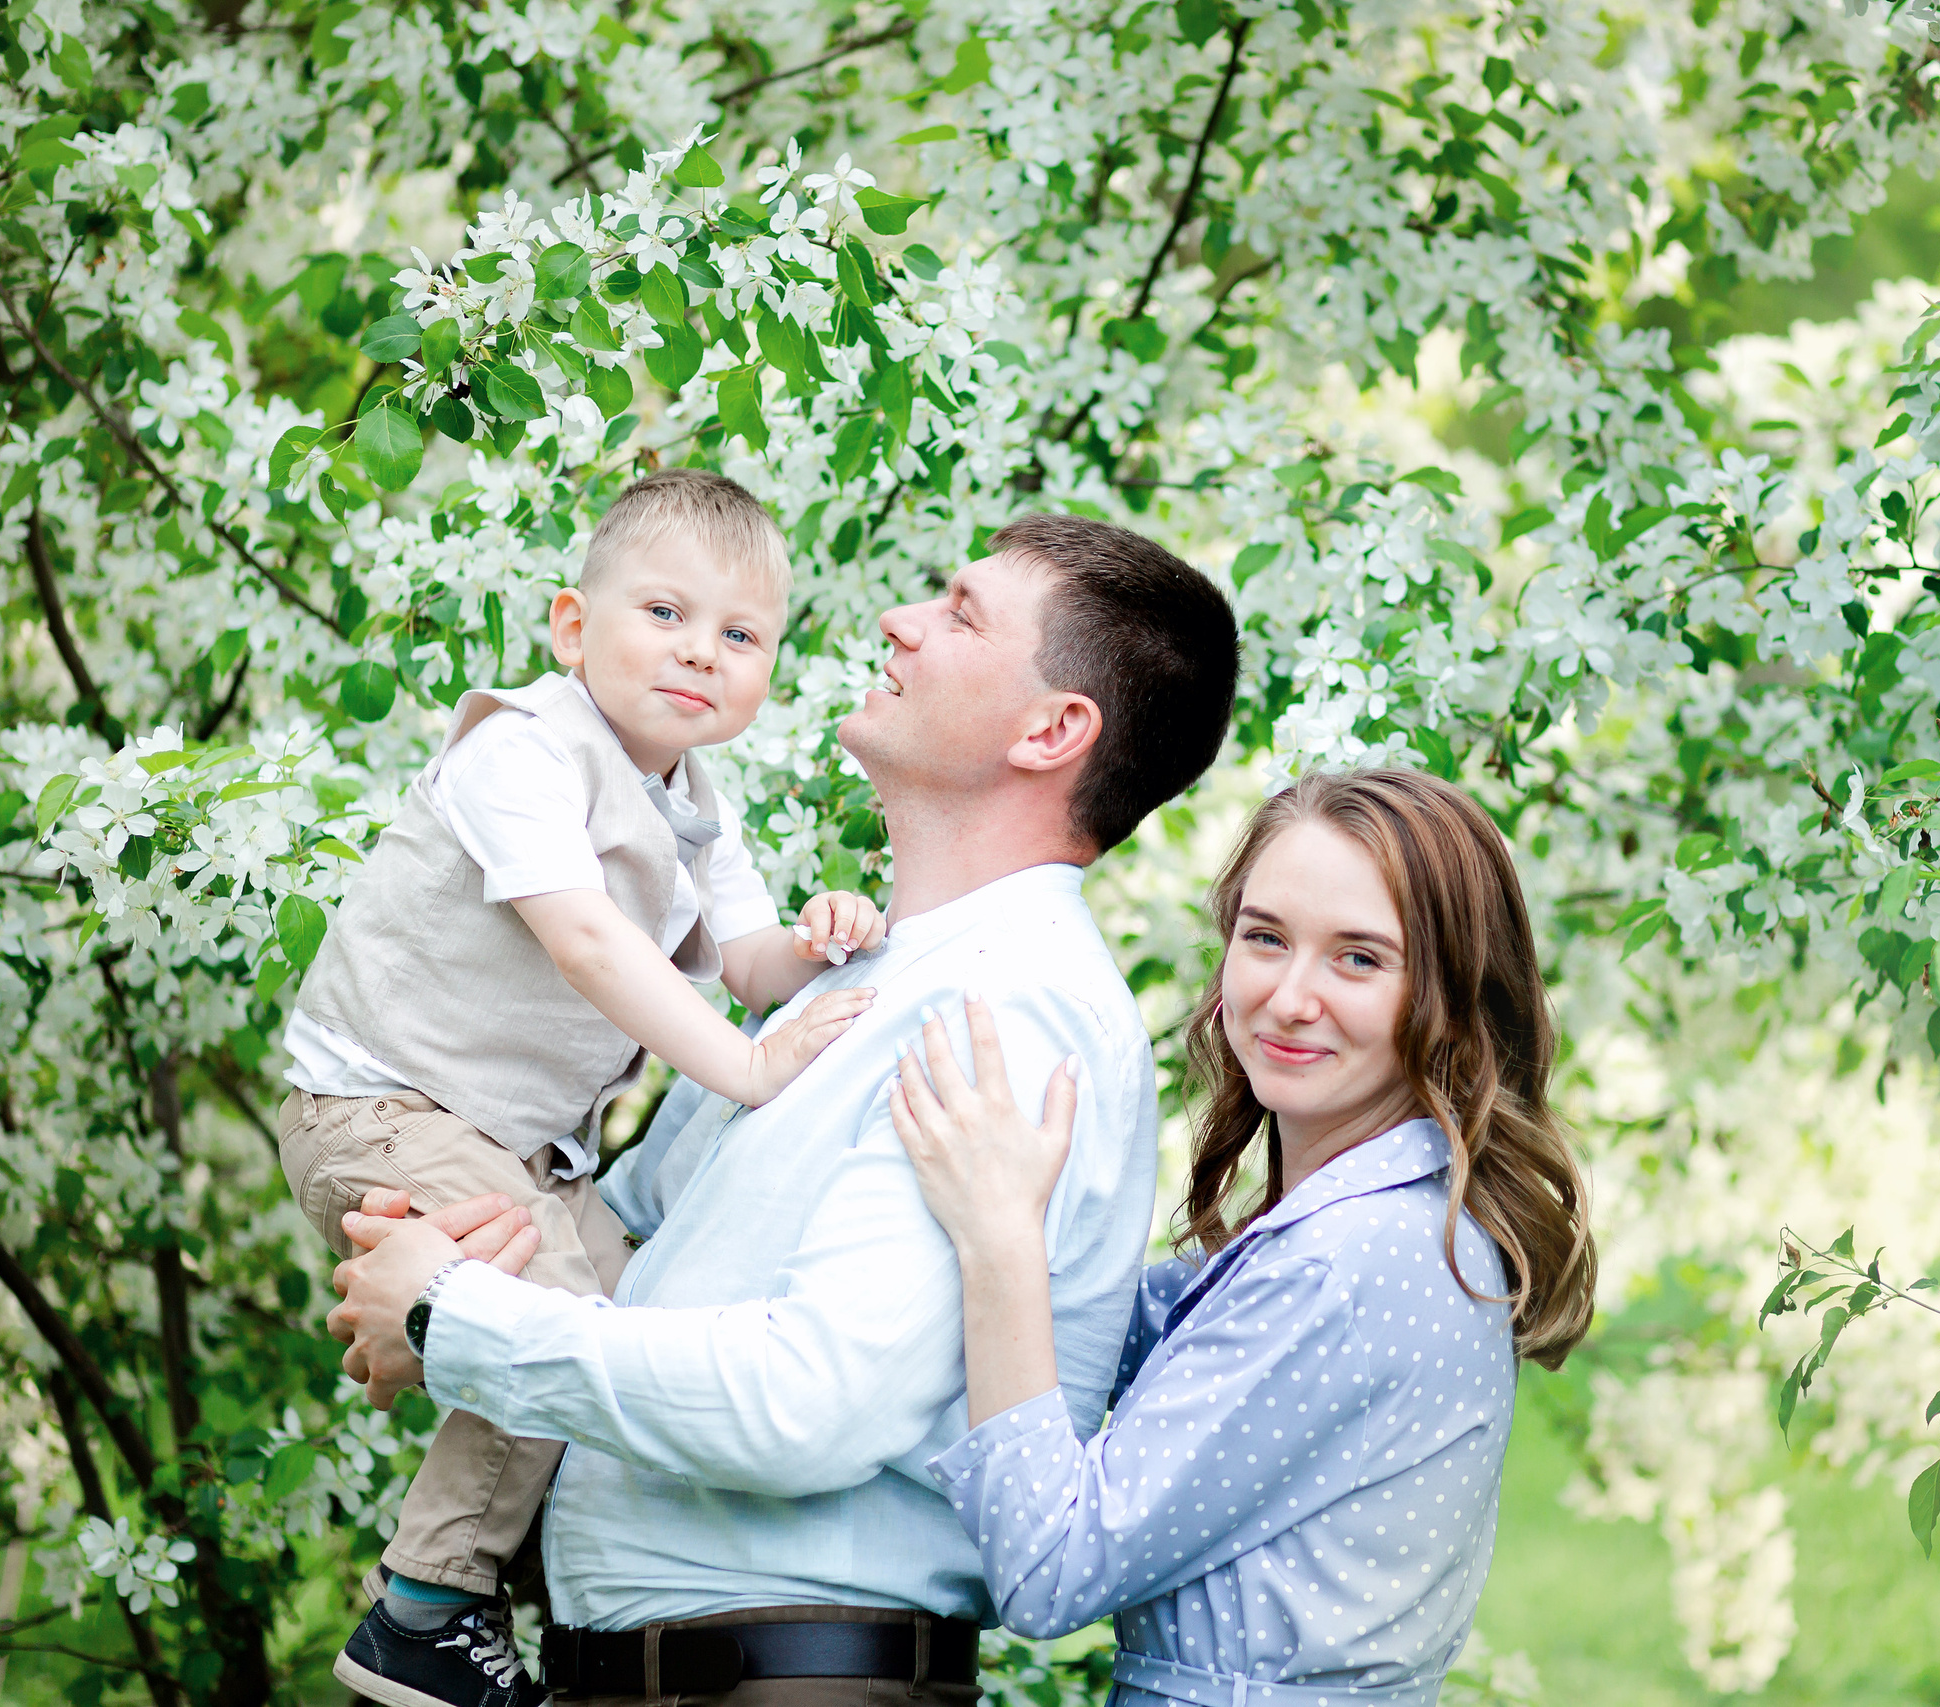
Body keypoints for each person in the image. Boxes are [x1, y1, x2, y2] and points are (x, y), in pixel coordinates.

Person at [325, 513, 1242, 1707]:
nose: (897, 621)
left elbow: (802, 1404)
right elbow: (633, 1244)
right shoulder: (853, 982)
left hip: (791, 1677)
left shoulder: (1008, 1014)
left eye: (960, 614)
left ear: (1050, 731)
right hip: (654, 1672)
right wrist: (459, 1240)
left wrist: (455, 1318)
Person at [277, 467, 887, 1707]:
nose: (700, 651)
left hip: (504, 1149)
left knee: (625, 1299)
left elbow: (748, 964)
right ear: (572, 626)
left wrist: (825, 939)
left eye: (741, 635)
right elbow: (588, 944)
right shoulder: (521, 749)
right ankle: (427, 1606)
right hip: (380, 1107)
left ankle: (538, 1582)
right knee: (551, 1318)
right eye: (664, 613)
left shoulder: (697, 806)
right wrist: (750, 1065)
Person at [884, 769, 1598, 1707]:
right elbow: (1106, 1329)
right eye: (1265, 938)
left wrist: (1000, 1242)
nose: (1290, 997)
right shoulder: (1371, 1226)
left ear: (1453, 998)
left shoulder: (1350, 1260)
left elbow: (1051, 1566)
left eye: (1359, 959)